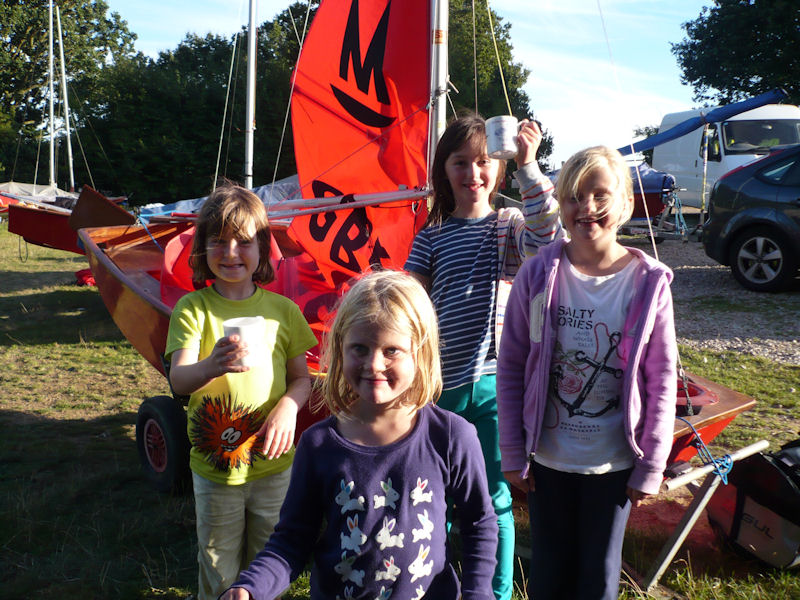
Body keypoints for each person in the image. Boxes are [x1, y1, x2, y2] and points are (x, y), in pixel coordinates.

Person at [219, 270, 499, 600]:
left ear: (420, 352)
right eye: (360, 348)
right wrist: (251, 587)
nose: (374, 364)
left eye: (392, 350)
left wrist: (479, 592)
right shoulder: (318, 444)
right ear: (340, 348)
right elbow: (292, 539)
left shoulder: (452, 437)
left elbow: (480, 523)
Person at [496, 146, 678, 599]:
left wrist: (652, 465)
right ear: (561, 203)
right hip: (548, 459)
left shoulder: (648, 283)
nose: (587, 207)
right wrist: (514, 453)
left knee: (598, 574)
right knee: (549, 570)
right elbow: (513, 364)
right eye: (574, 196)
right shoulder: (537, 274)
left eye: (600, 194)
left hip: (614, 462)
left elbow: (661, 379)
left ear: (626, 203)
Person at [404, 113, 563, 600]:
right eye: (460, 163)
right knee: (439, 496)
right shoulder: (430, 236)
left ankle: (494, 593)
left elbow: (547, 237)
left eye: (482, 162)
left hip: (495, 385)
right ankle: (443, 584)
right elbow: (411, 304)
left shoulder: (508, 225)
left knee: (493, 498)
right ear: (443, 172)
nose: (472, 173)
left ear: (497, 169)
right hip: (438, 387)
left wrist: (528, 164)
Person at [165, 184, 318, 600]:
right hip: (216, 469)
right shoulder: (193, 309)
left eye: (244, 241)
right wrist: (211, 365)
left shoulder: (283, 311)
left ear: (263, 248)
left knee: (268, 563)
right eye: (218, 241)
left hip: (272, 464)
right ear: (202, 248)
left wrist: (289, 406)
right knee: (218, 568)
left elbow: (301, 378)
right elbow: (178, 381)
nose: (231, 252)